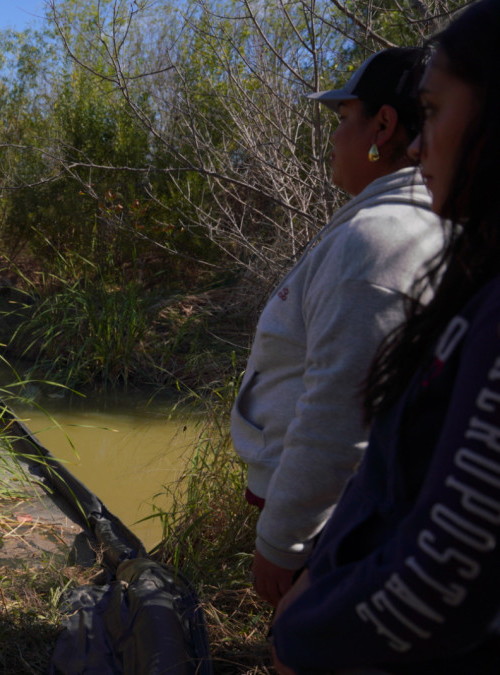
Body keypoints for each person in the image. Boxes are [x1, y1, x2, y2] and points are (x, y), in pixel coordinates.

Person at [271, 1, 500, 671]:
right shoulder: (471, 277)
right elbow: (390, 479)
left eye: (433, 112)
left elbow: (449, 559)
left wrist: (304, 635)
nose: (419, 145)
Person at [230, 47, 444, 606]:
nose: (333, 137)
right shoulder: (402, 225)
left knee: (305, 652)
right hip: (352, 520)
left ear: (384, 123)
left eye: (344, 119)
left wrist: (281, 541)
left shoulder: (379, 241)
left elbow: (340, 413)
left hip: (344, 528)